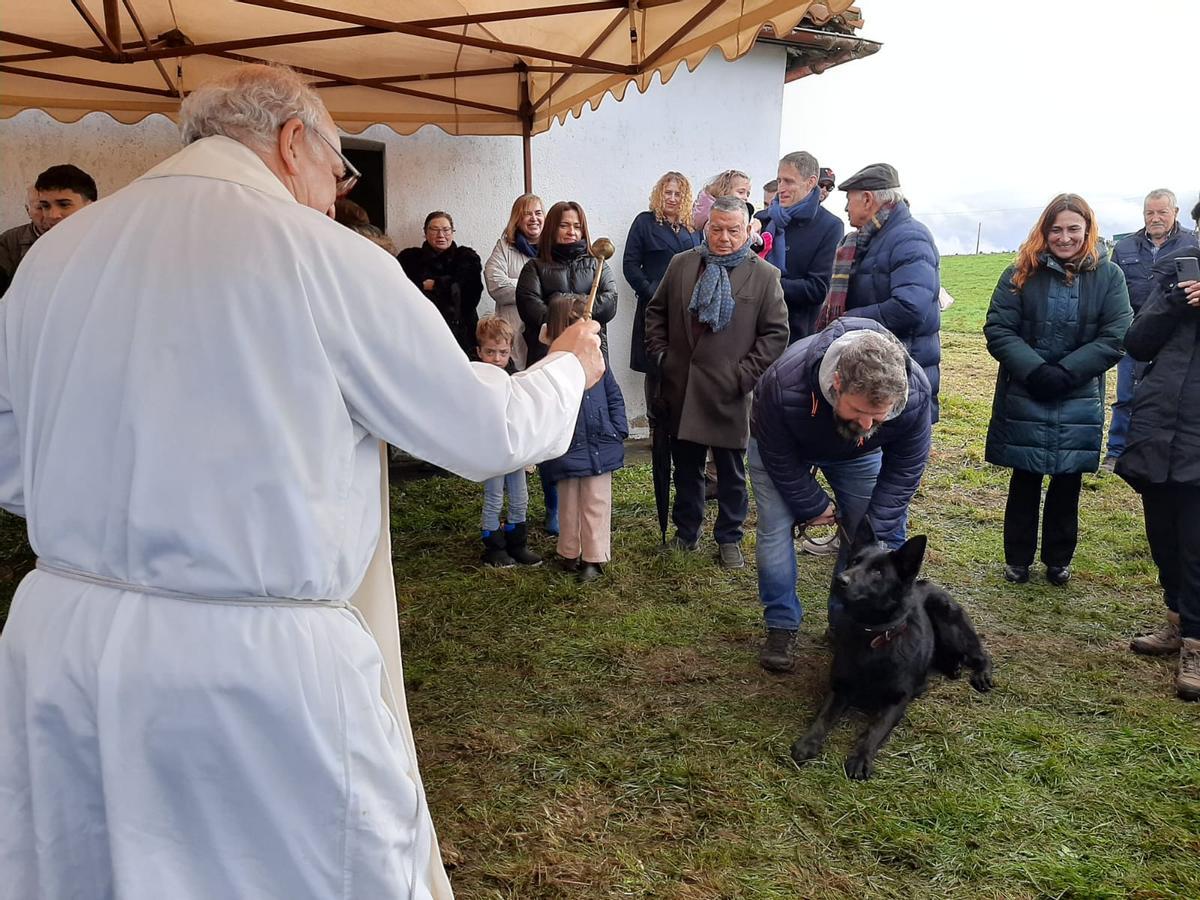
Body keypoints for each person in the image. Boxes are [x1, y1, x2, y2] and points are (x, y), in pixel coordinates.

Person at [0, 63, 605, 899]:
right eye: (337, 171)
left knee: (92, 869)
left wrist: (121, 522)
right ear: (292, 143)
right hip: (253, 668)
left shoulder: (52, 257)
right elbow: (486, 430)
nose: (333, 195)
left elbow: (12, 464)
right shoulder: (321, 253)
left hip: (62, 642)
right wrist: (569, 369)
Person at [749, 320, 932, 672]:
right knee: (774, 530)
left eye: (878, 415)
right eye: (859, 411)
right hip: (782, 445)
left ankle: (846, 621)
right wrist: (811, 503)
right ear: (837, 383)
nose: (867, 423)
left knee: (871, 532)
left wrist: (874, 523)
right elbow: (776, 452)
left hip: (858, 456)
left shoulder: (915, 394)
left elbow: (906, 467)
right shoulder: (783, 381)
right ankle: (781, 626)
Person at [984, 193, 1132, 587]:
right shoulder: (1020, 271)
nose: (1064, 238)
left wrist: (1068, 372)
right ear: (1044, 230)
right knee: (1025, 476)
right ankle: (1017, 557)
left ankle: (1058, 559)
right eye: (1056, 230)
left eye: (1073, 229)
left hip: (1077, 391)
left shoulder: (1109, 276)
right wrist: (1034, 370)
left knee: (1068, 481)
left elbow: (1116, 333)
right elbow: (998, 328)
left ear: (1087, 230)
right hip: (1027, 389)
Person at [644, 195, 788, 568]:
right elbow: (655, 313)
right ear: (707, 227)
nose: (724, 237)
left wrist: (744, 376)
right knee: (687, 468)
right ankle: (686, 531)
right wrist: (663, 357)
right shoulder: (681, 265)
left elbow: (775, 335)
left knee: (731, 473)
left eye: (733, 230)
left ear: (746, 231)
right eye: (717, 229)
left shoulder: (764, 275)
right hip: (684, 387)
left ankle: (729, 538)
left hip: (729, 391)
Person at [1117, 242, 1200, 700]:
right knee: (1163, 535)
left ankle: (1196, 642)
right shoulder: (1174, 272)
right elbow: (1138, 342)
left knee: (1197, 542)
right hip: (1159, 427)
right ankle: (1175, 620)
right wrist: (1173, 300)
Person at [517, 200, 618, 536]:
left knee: (587, 432)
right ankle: (554, 504)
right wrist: (566, 314)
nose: (571, 231)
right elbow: (531, 308)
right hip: (551, 355)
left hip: (591, 356)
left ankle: (590, 502)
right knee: (554, 433)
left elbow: (609, 301)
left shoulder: (597, 263)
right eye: (564, 225)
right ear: (552, 229)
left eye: (576, 225)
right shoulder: (535, 266)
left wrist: (569, 308)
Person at [824, 163, 942, 423]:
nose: (845, 208)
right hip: (877, 371)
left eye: (849, 199)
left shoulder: (910, 238)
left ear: (867, 199)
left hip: (900, 376)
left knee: (892, 459)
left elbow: (910, 308)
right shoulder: (867, 240)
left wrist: (847, 322)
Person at [1102, 189, 1197, 471]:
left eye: (1162, 212)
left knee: (1170, 397)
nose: (1155, 218)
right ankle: (1116, 451)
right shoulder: (1125, 248)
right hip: (1137, 332)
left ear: (1175, 213)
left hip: (1176, 340)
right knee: (1126, 396)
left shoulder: (1191, 243)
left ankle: (1162, 452)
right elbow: (1113, 292)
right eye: (1149, 213)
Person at [538, 293, 628, 583]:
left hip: (601, 441)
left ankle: (594, 557)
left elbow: (612, 393)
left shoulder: (596, 357)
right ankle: (568, 551)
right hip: (568, 446)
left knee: (596, 501)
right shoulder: (551, 364)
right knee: (568, 502)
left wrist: (618, 427)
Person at [622, 172, 700, 406]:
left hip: (687, 308)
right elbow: (630, 264)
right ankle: (656, 428)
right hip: (654, 306)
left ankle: (677, 427)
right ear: (659, 194)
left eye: (679, 194)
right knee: (655, 366)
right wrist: (651, 292)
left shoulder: (692, 228)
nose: (673, 198)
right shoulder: (645, 222)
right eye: (668, 192)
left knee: (682, 367)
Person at [473, 316, 542, 568]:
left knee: (520, 496)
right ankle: (494, 546)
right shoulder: (477, 380)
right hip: (492, 451)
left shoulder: (515, 378)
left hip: (514, 449)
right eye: (490, 352)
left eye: (502, 352)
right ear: (479, 351)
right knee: (493, 497)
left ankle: (517, 542)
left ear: (510, 350)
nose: (496, 358)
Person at [757, 151, 844, 343]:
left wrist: (764, 283)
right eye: (779, 181)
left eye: (789, 181)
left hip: (792, 336)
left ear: (811, 182)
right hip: (752, 331)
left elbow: (817, 289)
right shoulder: (762, 220)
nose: (781, 188)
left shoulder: (830, 226)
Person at [1, 166, 97, 297]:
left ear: (91, 206)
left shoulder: (110, 244)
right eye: (44, 206)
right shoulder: (10, 242)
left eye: (64, 204)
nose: (52, 215)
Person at [399, 210, 484, 356]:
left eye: (446, 230)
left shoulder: (467, 258)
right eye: (434, 229)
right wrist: (452, 287)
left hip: (462, 333)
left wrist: (436, 285)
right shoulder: (410, 259)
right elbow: (404, 293)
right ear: (425, 232)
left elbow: (470, 298)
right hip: (421, 331)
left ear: (452, 232)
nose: (441, 235)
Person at [484, 192, 544, 369]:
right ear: (517, 219)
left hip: (544, 332)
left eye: (538, 213)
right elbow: (496, 284)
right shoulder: (504, 247)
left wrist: (520, 285)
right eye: (527, 213)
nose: (534, 218)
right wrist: (536, 287)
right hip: (514, 331)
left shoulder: (553, 249)